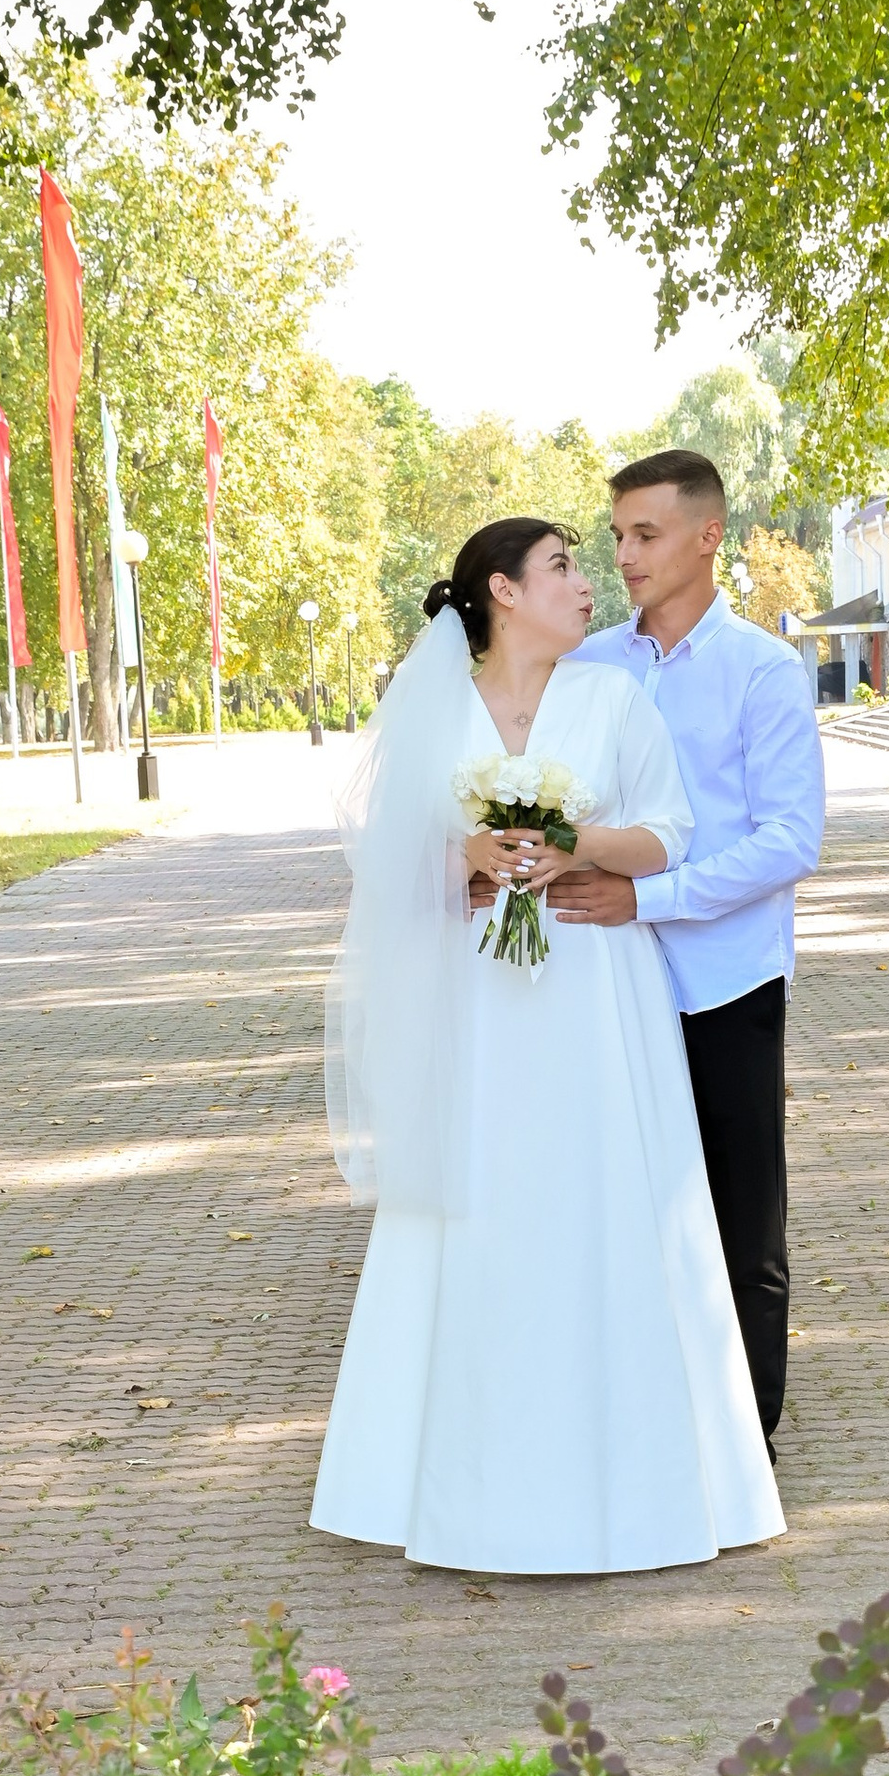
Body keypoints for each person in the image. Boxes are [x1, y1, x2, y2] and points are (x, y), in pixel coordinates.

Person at [310, 515, 784, 1576]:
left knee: (605, 1200)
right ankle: (459, 1486)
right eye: (562, 567)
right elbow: (389, 875)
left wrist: (568, 840)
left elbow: (668, 833)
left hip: (593, 985)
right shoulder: (432, 707)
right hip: (478, 1007)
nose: (587, 584)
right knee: (486, 1208)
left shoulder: (614, 697)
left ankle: (637, 1481)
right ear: (502, 590)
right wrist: (462, 851)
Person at [553, 450, 825, 1455]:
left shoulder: (762, 669)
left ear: (706, 537)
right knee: (620, 1201)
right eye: (616, 535)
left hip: (724, 980)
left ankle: (745, 1437)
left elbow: (787, 839)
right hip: (603, 981)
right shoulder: (591, 668)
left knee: (741, 1216)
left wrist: (647, 898)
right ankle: (640, 1415)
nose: (622, 555)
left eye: (644, 534)